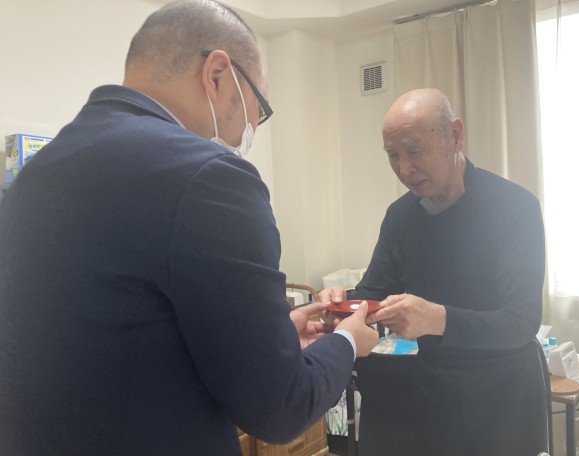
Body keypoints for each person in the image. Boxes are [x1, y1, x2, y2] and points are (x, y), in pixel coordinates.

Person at [0, 1, 380, 455]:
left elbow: (124, 338)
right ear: (217, 75)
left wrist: (269, 339)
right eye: (258, 107)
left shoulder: (36, 172)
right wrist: (346, 342)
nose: (251, 129)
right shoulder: (209, 177)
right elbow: (282, 407)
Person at [320, 88, 549, 456]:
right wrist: (341, 305)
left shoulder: (514, 207)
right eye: (392, 155)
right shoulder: (400, 217)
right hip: (436, 395)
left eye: (414, 151)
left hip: (504, 400)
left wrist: (437, 319)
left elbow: (521, 321)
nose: (404, 168)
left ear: (455, 136)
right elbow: (372, 293)